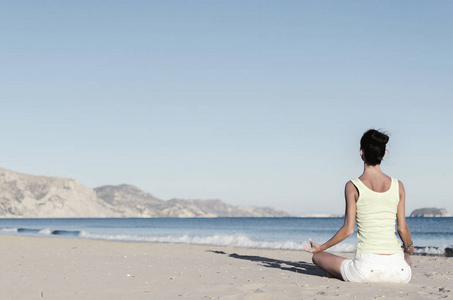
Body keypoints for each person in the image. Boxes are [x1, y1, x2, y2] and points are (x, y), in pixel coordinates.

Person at [303, 129, 415, 283]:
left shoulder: (352, 186)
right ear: (384, 154)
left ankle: (337, 273)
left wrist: (321, 247)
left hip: (366, 270)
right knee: (406, 257)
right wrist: (409, 247)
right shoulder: (399, 186)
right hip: (401, 274)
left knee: (318, 257)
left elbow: (348, 229)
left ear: (361, 153)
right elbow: (402, 228)